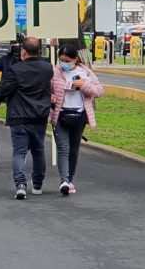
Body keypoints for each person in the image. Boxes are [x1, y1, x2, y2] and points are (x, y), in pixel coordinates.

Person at [0, 37, 53, 200]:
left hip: (18, 115)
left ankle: (20, 185)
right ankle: (38, 184)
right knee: (38, 150)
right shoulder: (47, 68)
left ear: (23, 52)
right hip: (39, 115)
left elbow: (3, 89)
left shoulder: (15, 70)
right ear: (39, 51)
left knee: (19, 152)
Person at [51, 45, 104, 196]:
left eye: (67, 60)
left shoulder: (85, 72)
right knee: (63, 148)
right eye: (61, 60)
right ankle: (64, 181)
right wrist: (52, 98)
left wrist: (84, 85)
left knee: (73, 149)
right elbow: (48, 90)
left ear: (75, 59)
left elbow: (99, 91)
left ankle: (70, 179)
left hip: (79, 115)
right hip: (60, 115)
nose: (64, 63)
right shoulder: (55, 72)